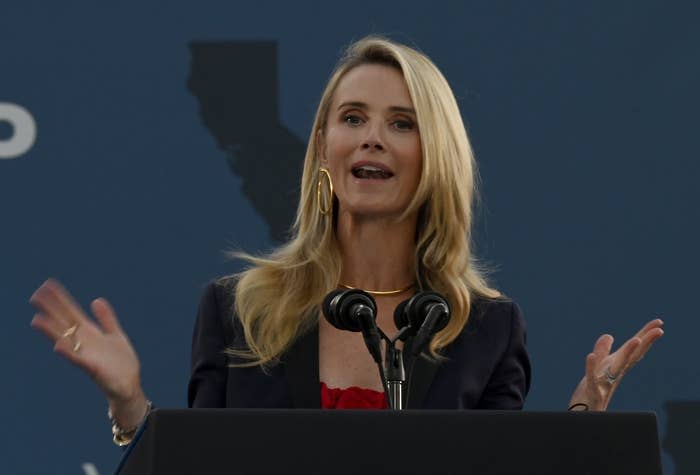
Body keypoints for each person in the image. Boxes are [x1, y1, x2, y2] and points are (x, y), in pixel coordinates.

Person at [29, 36, 664, 445]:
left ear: (434, 156)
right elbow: (194, 468)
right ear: (325, 150)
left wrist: (584, 427)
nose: (371, 139)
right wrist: (130, 405)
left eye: (402, 123)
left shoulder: (487, 328)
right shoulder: (237, 311)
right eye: (352, 118)